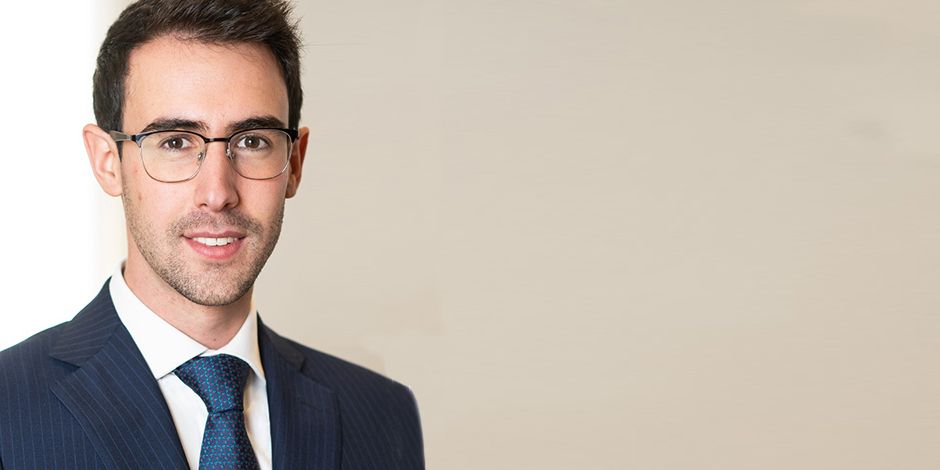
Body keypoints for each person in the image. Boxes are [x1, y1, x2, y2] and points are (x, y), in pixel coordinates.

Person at [0, 1, 424, 469]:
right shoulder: (8, 406)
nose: (218, 194)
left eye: (253, 141)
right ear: (107, 162)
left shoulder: (383, 415)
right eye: (175, 142)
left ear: (295, 162)